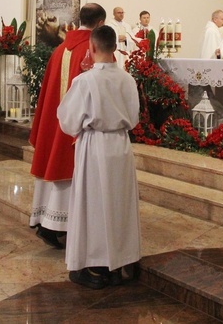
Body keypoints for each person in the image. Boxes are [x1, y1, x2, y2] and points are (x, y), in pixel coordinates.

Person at [58, 25, 141, 290]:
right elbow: (135, 118)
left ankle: (91, 264)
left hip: (94, 146)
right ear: (115, 48)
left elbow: (69, 121)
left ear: (91, 48)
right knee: (119, 204)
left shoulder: (85, 81)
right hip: (121, 145)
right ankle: (121, 262)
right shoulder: (128, 80)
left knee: (92, 206)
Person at [29, 3, 107, 249]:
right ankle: (57, 226)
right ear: (101, 24)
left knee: (54, 166)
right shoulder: (95, 51)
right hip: (78, 130)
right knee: (69, 171)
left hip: (56, 125)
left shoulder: (60, 49)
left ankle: (46, 221)